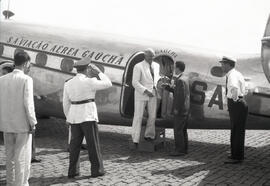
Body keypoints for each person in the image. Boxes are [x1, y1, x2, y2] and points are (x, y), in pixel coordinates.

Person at [63, 57, 112, 178]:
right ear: (87, 69)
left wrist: (68, 117)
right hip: (88, 116)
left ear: (77, 70)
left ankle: (73, 171)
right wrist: (99, 72)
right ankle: (97, 170)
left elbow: (65, 103)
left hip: (74, 116)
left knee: (74, 146)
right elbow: (108, 83)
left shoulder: (68, 83)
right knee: (92, 145)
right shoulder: (90, 81)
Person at [0, 51, 37, 186]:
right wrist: (33, 122)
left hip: (5, 123)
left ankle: (10, 183)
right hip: (22, 125)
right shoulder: (27, 79)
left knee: (9, 156)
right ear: (27, 63)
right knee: (22, 157)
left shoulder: (2, 79)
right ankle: (21, 184)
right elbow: (28, 103)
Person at [220, 56, 248, 164]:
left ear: (228, 64)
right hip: (239, 103)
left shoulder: (232, 75)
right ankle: (235, 154)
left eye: (223, 63)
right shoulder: (237, 73)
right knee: (237, 130)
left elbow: (234, 88)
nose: (221, 65)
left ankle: (237, 157)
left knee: (237, 131)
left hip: (237, 103)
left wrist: (234, 101)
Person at [131, 48, 160, 146]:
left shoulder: (157, 66)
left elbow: (155, 78)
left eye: (152, 56)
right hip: (141, 94)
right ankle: (135, 138)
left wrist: (161, 80)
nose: (151, 58)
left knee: (152, 116)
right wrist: (146, 91)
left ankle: (149, 135)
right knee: (138, 116)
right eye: (149, 56)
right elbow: (135, 82)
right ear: (145, 56)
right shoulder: (138, 66)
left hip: (154, 93)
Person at [163, 61, 190, 156]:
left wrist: (176, 109)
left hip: (180, 110)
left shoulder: (180, 80)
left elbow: (180, 96)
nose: (174, 69)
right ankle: (184, 149)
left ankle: (179, 150)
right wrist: (168, 88)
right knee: (183, 130)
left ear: (178, 68)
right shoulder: (184, 78)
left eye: (175, 67)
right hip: (185, 109)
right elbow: (178, 91)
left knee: (178, 130)